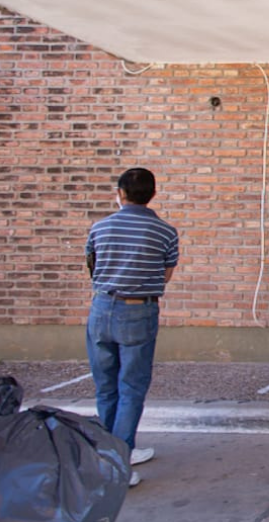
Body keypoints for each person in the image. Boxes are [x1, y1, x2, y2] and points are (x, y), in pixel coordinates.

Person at [85, 167, 179, 488]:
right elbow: (165, 274)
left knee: (106, 385)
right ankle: (118, 459)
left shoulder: (100, 227)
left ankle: (109, 454)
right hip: (140, 309)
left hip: (101, 307)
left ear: (121, 193)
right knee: (131, 388)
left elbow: (92, 265)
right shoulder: (166, 232)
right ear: (151, 194)